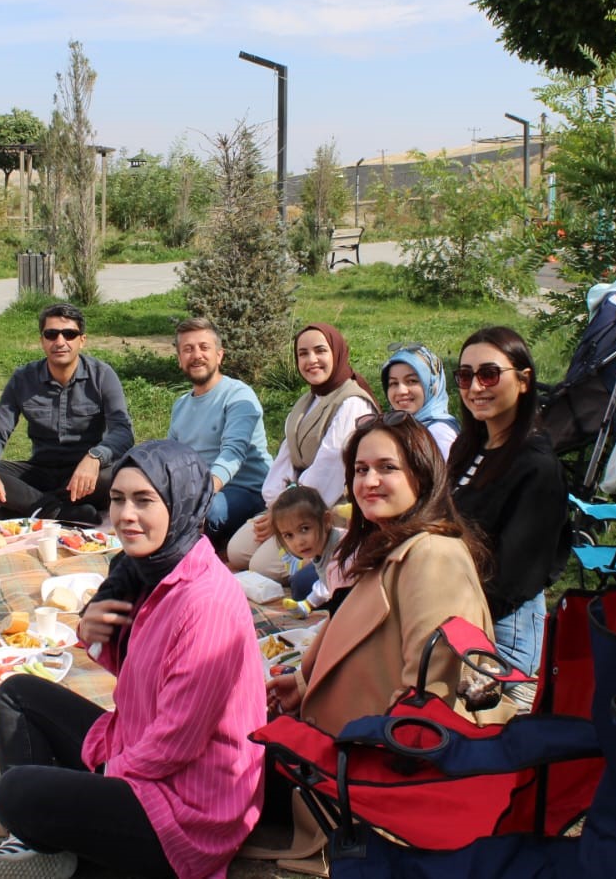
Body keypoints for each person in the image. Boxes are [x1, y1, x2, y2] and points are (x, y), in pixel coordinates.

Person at [0, 440, 264, 879]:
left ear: (182, 503)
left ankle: (63, 844)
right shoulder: (150, 570)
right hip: (138, 747)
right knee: (17, 695)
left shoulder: (206, 602)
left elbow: (176, 742)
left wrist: (100, 778)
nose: (126, 514)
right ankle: (35, 846)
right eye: (117, 499)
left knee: (18, 793)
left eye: (144, 500)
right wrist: (93, 630)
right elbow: (147, 672)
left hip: (187, 808)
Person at [248, 412, 512, 874]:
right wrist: (304, 682)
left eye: (387, 468)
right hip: (333, 759)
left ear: (422, 474)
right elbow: (363, 644)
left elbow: (429, 708)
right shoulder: (391, 544)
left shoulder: (433, 556)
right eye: (360, 469)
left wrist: (353, 774)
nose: (369, 480)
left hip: (358, 786)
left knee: (205, 772)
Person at [446, 326, 568, 713]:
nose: (475, 387)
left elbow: (519, 575)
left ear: (524, 381)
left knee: (494, 734)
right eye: (465, 376)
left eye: (489, 374)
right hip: (459, 609)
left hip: (502, 628)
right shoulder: (470, 447)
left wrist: (459, 618)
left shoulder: (536, 466)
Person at [227, 323, 376, 581]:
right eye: (303, 354)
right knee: (237, 551)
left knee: (262, 566)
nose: (311, 360)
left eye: (320, 351)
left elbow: (328, 470)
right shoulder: (306, 401)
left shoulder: (352, 403)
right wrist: (275, 507)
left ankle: (327, 559)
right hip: (292, 502)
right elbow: (287, 456)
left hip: (327, 510)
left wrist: (283, 515)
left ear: (338, 353)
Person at [0, 303, 135, 521]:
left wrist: (95, 457)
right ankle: (58, 511)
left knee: (123, 471)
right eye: (51, 334)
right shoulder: (23, 378)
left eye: (69, 334)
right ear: (42, 340)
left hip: (88, 473)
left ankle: (28, 506)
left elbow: (123, 431)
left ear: (82, 340)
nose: (60, 342)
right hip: (40, 471)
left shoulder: (102, 375)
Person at [165, 316, 273, 551]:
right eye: (188, 349)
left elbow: (233, 453)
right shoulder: (181, 405)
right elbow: (169, 457)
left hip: (247, 490)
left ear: (219, 355)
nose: (196, 355)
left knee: (209, 511)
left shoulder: (238, 395)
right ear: (179, 359)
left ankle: (198, 556)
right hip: (202, 491)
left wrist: (199, 497)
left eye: (204, 347)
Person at [268, 486, 346, 618]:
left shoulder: (342, 549)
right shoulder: (321, 549)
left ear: (326, 520)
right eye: (288, 535)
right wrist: (308, 604)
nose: (299, 542)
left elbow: (345, 598)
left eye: (304, 529)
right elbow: (326, 581)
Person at [381, 342, 459, 458]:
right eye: (393, 383)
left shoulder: (438, 434)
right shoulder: (399, 426)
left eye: (412, 381)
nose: (401, 391)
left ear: (432, 385)